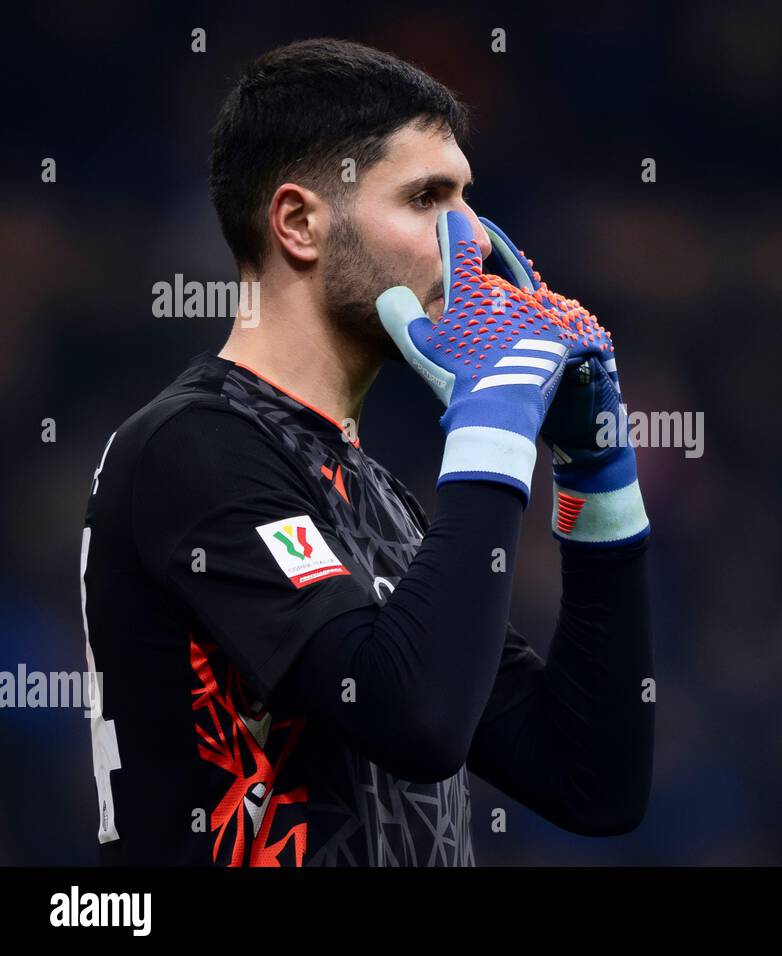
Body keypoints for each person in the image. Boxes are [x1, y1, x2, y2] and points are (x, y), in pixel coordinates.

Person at [78, 37, 653, 866]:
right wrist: (490, 431)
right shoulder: (190, 448)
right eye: (427, 199)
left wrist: (597, 480)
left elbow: (593, 781)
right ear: (300, 222)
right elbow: (412, 719)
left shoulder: (379, 497)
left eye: (467, 201)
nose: (476, 244)